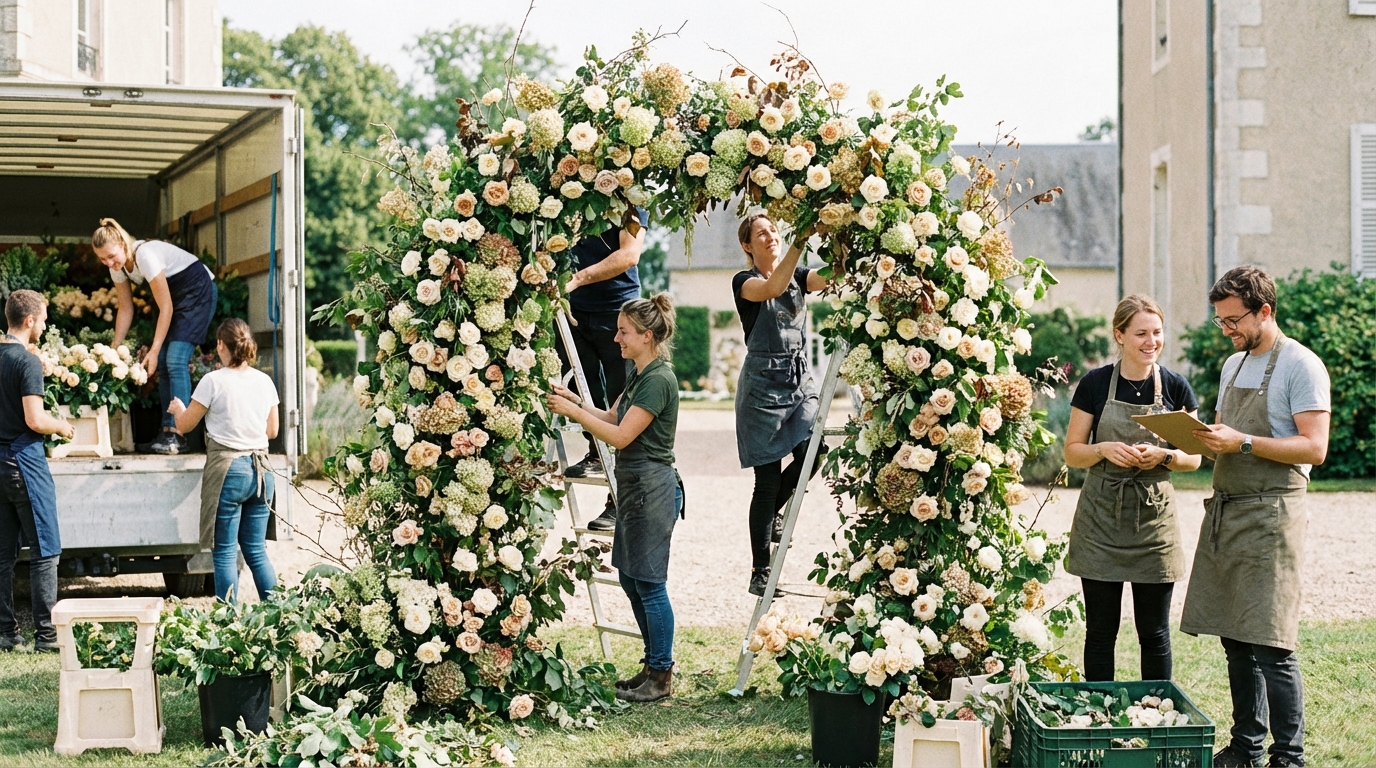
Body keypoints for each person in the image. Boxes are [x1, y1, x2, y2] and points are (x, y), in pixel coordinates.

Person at [1182, 266, 1330, 768]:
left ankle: (1289, 758)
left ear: (1265, 310)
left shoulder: (1302, 366)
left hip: (1272, 516)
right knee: (1234, 638)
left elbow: (1314, 447)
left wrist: (1241, 441)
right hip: (1229, 511)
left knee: (1271, 642)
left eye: (1234, 321)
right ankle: (1245, 745)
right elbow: (1228, 430)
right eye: (1221, 322)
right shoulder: (1232, 366)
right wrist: (1200, 436)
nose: (1227, 331)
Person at [547, 294, 681, 703]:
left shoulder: (659, 379)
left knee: (651, 584)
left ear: (646, 335)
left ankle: (661, 674)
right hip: (637, 489)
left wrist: (574, 416)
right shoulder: (641, 374)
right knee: (631, 577)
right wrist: (575, 403)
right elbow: (610, 417)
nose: (616, 337)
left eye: (624, 331)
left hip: (652, 489)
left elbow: (621, 436)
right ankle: (652, 665)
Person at [1063, 295, 1201, 683]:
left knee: (1155, 634)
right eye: (1141, 333)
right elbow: (1073, 453)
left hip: (1153, 522)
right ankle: (1098, 717)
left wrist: (1163, 456)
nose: (1151, 341)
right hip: (1101, 518)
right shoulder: (1093, 384)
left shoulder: (1175, 386)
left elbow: (1194, 458)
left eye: (1157, 333)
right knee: (1101, 633)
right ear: (1119, 335)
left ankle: (1155, 716)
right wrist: (1103, 449)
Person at [731, 214, 828, 597]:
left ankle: (773, 513)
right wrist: (799, 240)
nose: (770, 236)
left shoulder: (799, 275)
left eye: (773, 230)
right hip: (760, 390)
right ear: (747, 246)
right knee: (766, 480)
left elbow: (825, 279)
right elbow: (773, 286)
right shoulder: (744, 282)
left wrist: (846, 244)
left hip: (797, 380)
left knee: (815, 450)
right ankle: (760, 569)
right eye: (761, 234)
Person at [168, 319, 280, 602]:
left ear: (221, 345)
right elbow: (273, 431)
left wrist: (178, 408)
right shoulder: (264, 381)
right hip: (262, 471)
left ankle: (229, 622)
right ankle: (281, 614)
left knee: (225, 551)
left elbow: (185, 425)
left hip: (229, 471)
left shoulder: (213, 381)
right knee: (255, 550)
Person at [92, 218, 218, 455]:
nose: (109, 262)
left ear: (122, 242)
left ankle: (179, 434)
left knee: (176, 359)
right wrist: (113, 348)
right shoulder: (117, 268)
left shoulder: (145, 255)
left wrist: (154, 348)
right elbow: (126, 308)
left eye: (111, 255)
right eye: (102, 259)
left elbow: (166, 307)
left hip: (197, 291)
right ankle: (166, 430)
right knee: (161, 363)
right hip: (175, 300)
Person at [559, 207, 648, 533]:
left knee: (624, 408)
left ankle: (622, 504)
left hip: (617, 310)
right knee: (583, 393)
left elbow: (629, 255)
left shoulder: (630, 198)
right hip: (573, 312)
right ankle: (596, 450)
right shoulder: (569, 187)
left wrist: (578, 278)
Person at [0, 291, 74, 652]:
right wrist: (61, 426)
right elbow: (34, 418)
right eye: (43, 319)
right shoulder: (25, 362)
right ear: (29, 320)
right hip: (23, 460)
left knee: (2, 552)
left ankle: (6, 633)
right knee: (46, 548)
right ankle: (46, 635)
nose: (44, 325)